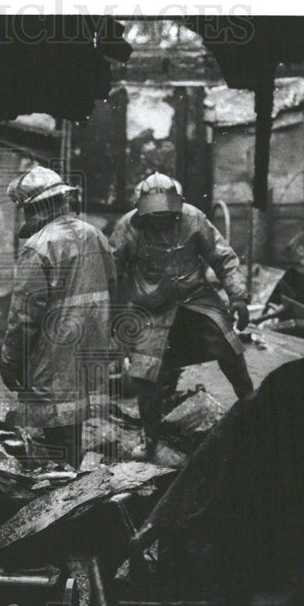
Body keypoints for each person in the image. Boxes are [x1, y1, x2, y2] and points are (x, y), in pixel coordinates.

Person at [110, 172, 254, 460]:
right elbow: (110, 271)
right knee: (145, 373)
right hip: (152, 308)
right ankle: (149, 436)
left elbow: (223, 257)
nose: (160, 219)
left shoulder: (194, 218)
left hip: (196, 299)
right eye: (154, 214)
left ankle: (254, 410)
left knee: (229, 346)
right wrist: (113, 316)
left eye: (166, 213)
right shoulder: (127, 227)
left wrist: (238, 297)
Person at [0, 166, 116, 469]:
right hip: (92, 346)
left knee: (50, 431)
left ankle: (57, 495)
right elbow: (114, 286)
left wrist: (9, 359)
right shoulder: (95, 235)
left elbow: (24, 316)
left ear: (32, 208)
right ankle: (73, 483)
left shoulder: (38, 246)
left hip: (54, 350)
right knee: (72, 421)